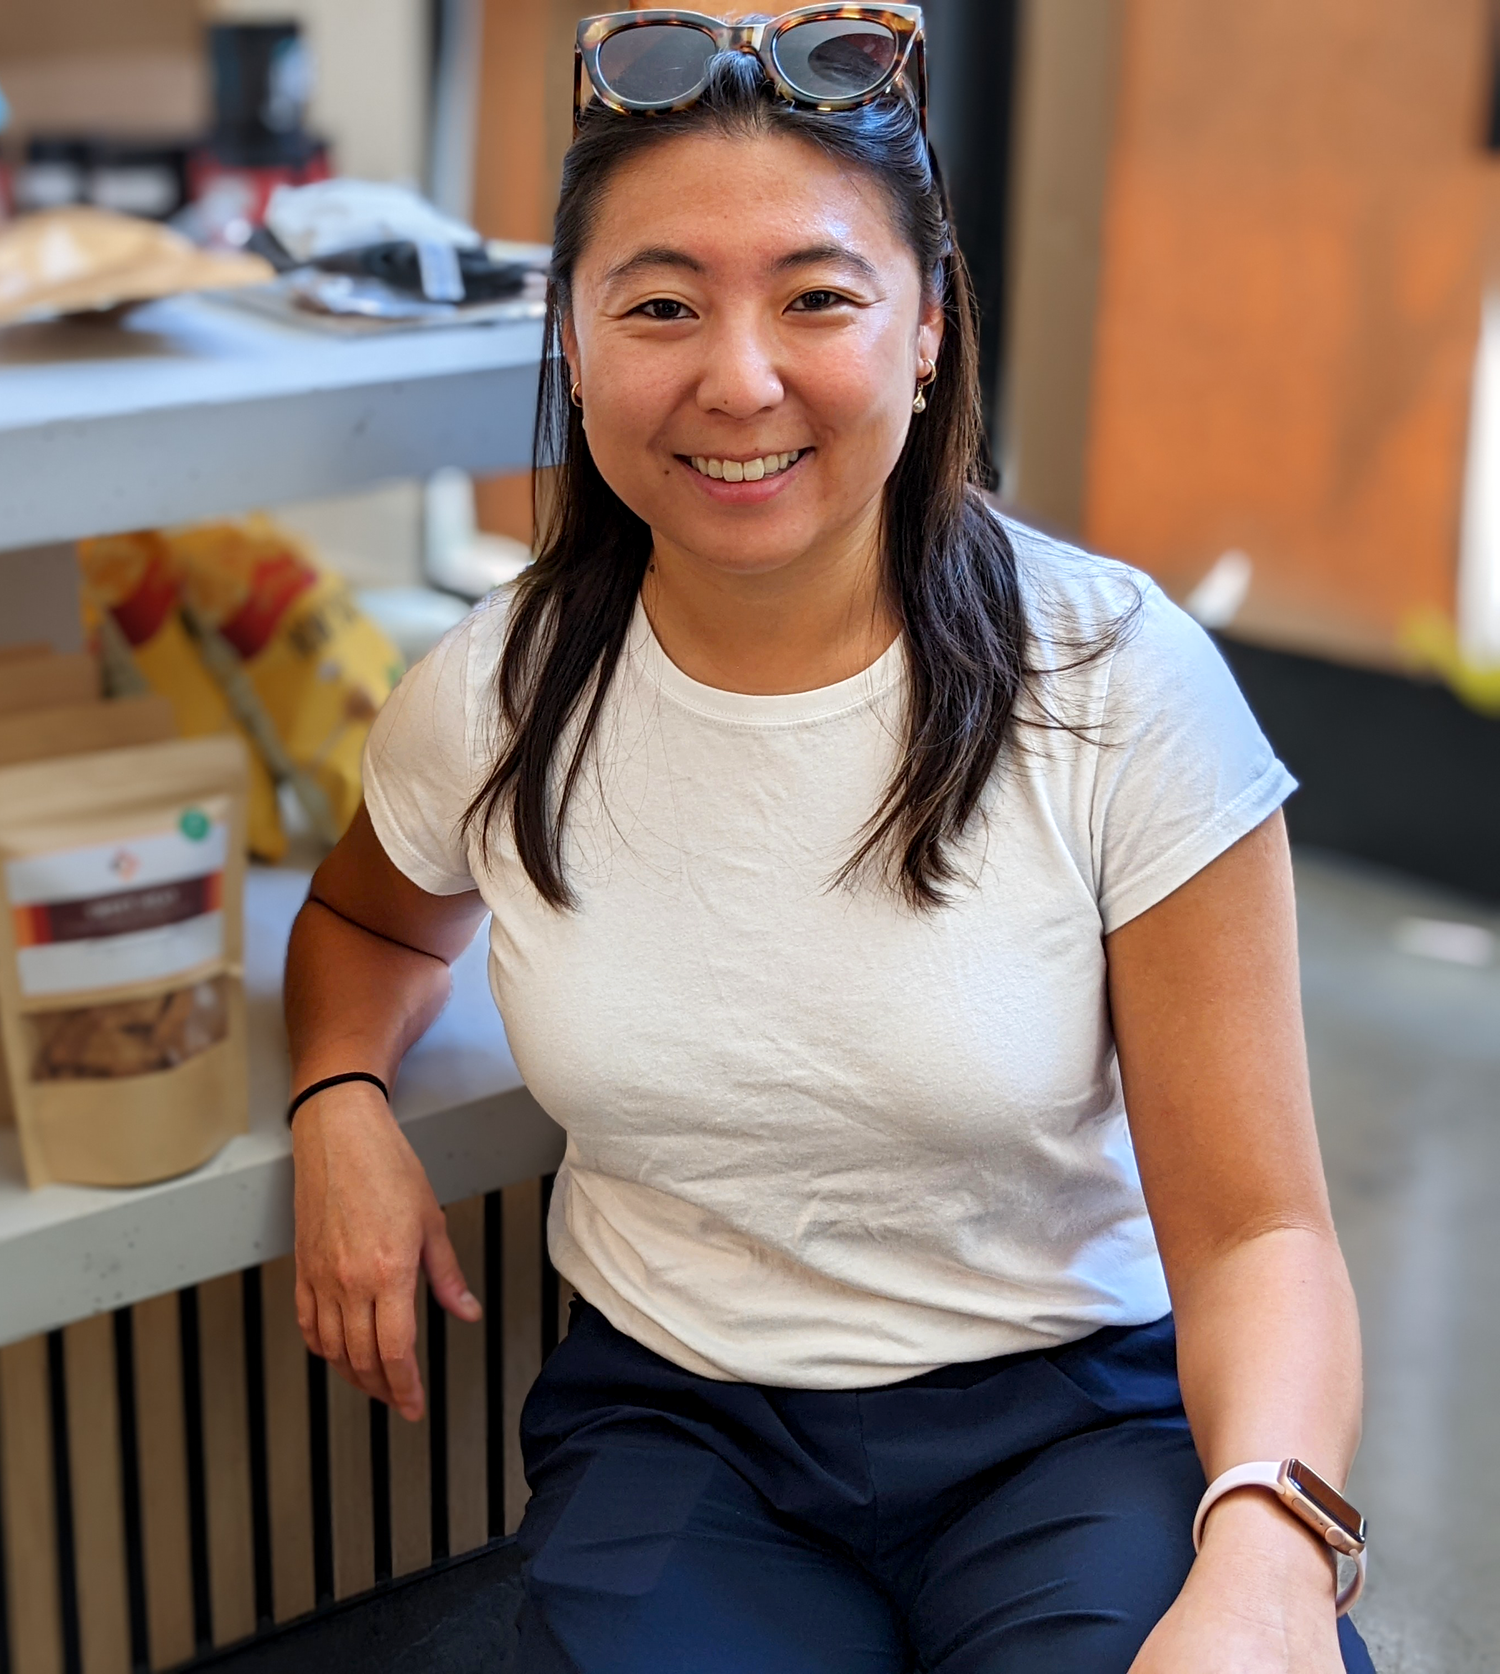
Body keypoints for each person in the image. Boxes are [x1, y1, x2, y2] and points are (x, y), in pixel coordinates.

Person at [285, 10, 1377, 1670]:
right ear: (572, 341)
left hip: (1071, 1417)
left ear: (927, 325)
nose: (739, 377)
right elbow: (369, 923)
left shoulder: (1117, 678)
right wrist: (340, 1098)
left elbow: (1259, 1233)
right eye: (659, 304)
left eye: (818, 296)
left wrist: (1270, 1553)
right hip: (682, 1423)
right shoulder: (497, 688)